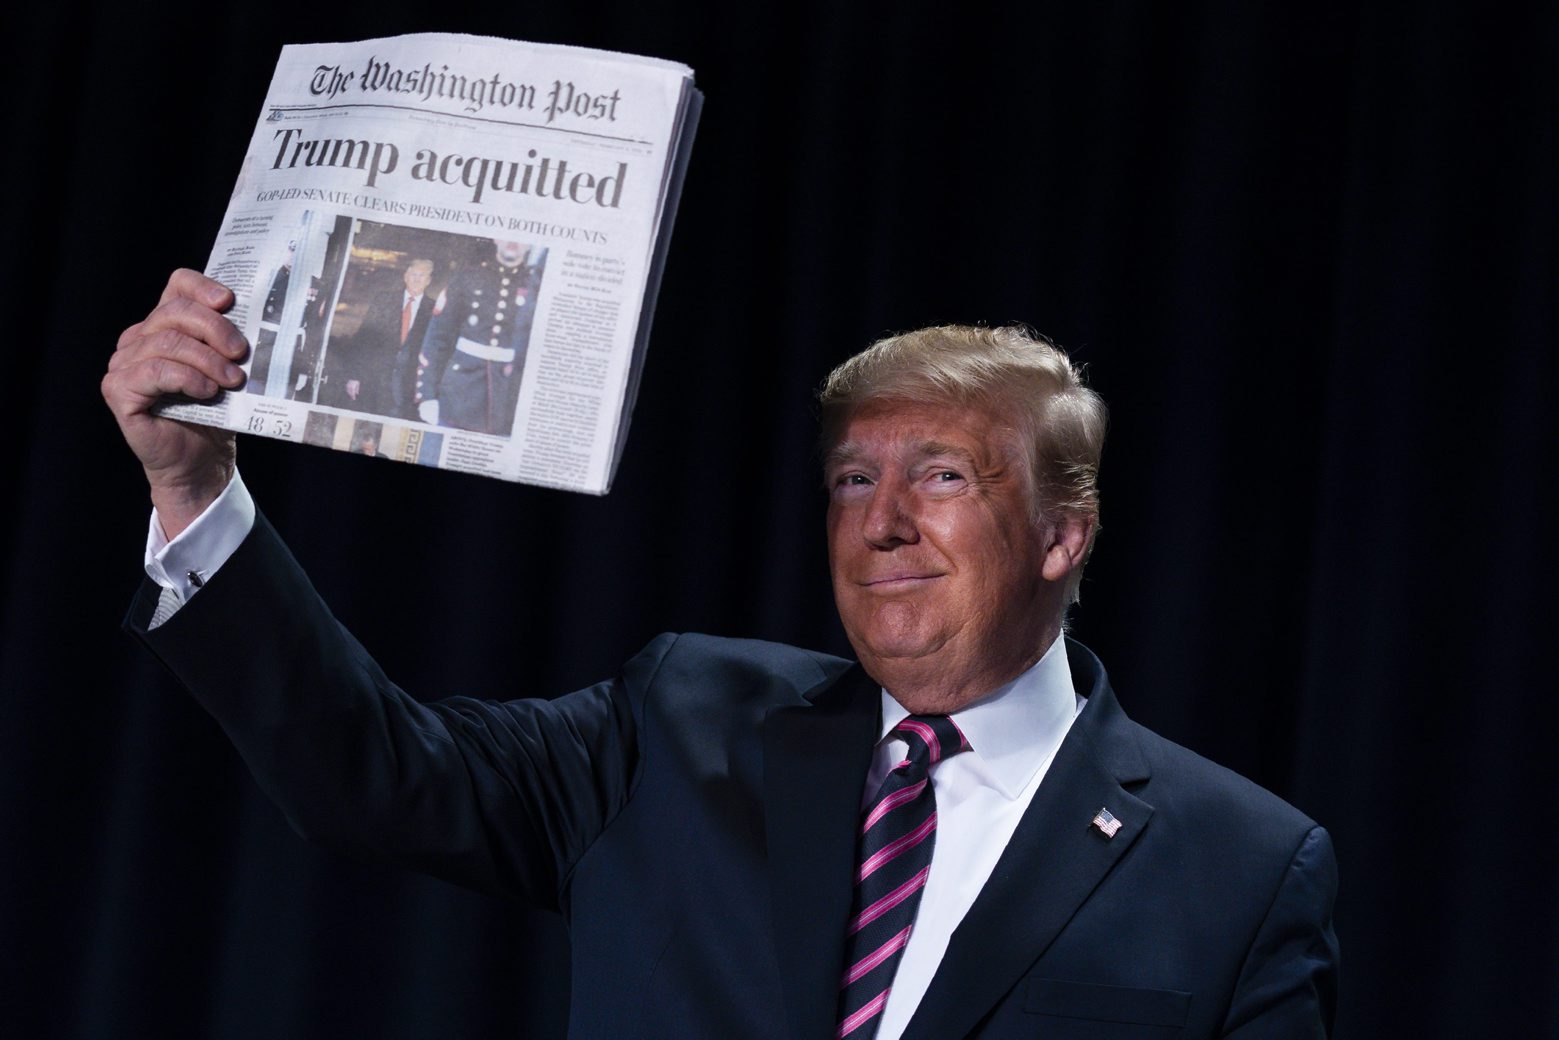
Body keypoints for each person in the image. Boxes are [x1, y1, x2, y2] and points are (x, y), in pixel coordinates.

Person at [102, 270, 1339, 1039]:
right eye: (852, 478)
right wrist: (194, 487)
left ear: (1064, 532)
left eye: (942, 477)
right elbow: (370, 772)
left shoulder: (1238, 864)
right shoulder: (679, 718)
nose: (881, 518)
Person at [415, 240, 542, 435]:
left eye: (523, 236)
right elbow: (436, 338)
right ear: (496, 238)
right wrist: (427, 395)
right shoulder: (467, 278)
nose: (513, 241)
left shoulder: (537, 287)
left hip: (508, 397)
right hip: (460, 392)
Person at [320, 258, 435, 416]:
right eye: (413, 274)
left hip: (408, 388)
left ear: (428, 280)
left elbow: (434, 353)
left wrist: (426, 391)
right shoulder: (384, 300)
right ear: (405, 276)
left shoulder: (433, 311)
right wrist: (354, 376)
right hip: (374, 381)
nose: (416, 279)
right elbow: (363, 339)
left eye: (421, 275)